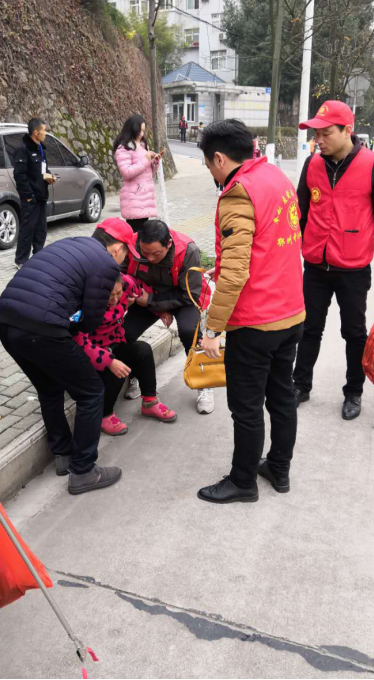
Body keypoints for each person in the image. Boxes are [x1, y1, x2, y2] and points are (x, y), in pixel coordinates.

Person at [196, 119, 305, 505]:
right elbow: (271, 242)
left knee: (246, 407)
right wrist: (222, 264)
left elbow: (239, 270)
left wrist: (213, 328)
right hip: (291, 312)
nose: (211, 173)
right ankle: (279, 467)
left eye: (209, 165)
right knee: (281, 398)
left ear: (220, 158)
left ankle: (243, 481)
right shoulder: (276, 176)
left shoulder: (237, 194)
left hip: (257, 321)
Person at [0, 217, 140, 495]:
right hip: (44, 328)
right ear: (117, 248)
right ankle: (84, 470)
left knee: (50, 389)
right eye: (126, 254)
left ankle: (63, 455)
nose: (123, 263)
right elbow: (91, 320)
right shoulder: (105, 264)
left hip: (7, 323)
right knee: (90, 392)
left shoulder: (71, 243)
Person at [293, 100, 374, 420]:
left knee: (354, 332)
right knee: (308, 328)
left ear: (347, 131)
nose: (320, 140)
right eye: (316, 134)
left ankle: (353, 391)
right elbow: (298, 213)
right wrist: (286, 251)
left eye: (326, 133)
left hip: (353, 267)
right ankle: (300, 384)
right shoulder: (312, 164)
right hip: (315, 263)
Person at [123, 219, 215, 415]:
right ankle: (135, 373)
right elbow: (124, 275)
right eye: (144, 253)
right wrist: (131, 295)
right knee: (124, 333)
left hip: (182, 297)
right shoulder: (132, 246)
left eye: (156, 254)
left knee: (190, 330)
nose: (149, 258)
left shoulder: (188, 251)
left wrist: (152, 302)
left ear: (169, 244)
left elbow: (190, 294)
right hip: (146, 296)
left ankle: (203, 382)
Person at [74, 274, 177, 435]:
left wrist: (161, 309)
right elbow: (79, 343)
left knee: (142, 350)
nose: (115, 299)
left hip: (113, 343)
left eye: (118, 293)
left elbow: (146, 292)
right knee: (116, 370)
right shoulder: (81, 307)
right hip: (89, 355)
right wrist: (109, 361)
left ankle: (150, 402)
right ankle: (105, 415)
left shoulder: (127, 284)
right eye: (109, 296)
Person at [13, 117, 57, 269]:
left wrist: (49, 176)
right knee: (28, 229)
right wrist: (29, 196)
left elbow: (43, 169)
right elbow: (20, 176)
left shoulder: (40, 149)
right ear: (35, 132)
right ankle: (21, 260)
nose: (45, 133)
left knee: (41, 229)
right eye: (44, 130)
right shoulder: (23, 150)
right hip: (30, 198)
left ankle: (38, 256)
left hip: (41, 195)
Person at [113, 114, 160, 233]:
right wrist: (146, 159)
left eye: (143, 131)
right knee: (136, 237)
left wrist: (155, 162)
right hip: (134, 200)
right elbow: (127, 172)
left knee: (144, 237)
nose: (142, 134)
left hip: (145, 198)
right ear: (132, 129)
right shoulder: (124, 148)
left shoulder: (144, 146)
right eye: (140, 131)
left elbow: (149, 172)